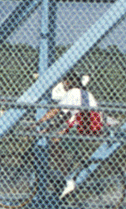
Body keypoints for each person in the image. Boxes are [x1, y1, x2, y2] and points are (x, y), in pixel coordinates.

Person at [36, 71, 101, 200]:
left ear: (68, 82)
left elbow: (57, 110)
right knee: (57, 138)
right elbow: (65, 117)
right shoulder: (83, 93)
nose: (63, 85)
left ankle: (68, 180)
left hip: (84, 126)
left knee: (54, 144)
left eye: (64, 82)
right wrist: (49, 128)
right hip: (90, 124)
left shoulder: (72, 93)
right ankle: (65, 177)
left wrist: (39, 122)